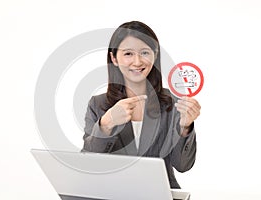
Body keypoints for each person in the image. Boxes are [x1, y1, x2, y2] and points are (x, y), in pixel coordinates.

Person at [82, 21, 201, 189]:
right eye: (128, 54)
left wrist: (185, 126)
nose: (137, 62)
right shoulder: (98, 104)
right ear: (114, 58)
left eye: (144, 52)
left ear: (155, 55)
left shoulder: (172, 103)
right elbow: (90, 165)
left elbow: (183, 166)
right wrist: (107, 123)